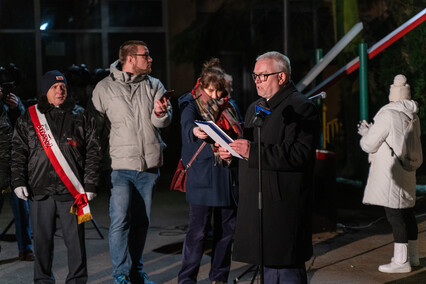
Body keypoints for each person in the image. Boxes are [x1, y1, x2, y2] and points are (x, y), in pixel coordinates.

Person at [219, 51, 320, 283]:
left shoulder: (301, 108)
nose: (257, 81)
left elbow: (299, 154)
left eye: (263, 76)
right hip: (257, 202)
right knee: (267, 266)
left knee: (285, 267)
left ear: (282, 77)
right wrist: (231, 155)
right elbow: (248, 147)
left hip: (282, 204)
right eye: (255, 76)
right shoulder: (256, 107)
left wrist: (250, 151)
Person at [91, 40, 172, 284]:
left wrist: (161, 113)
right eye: (145, 55)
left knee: (141, 222)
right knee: (119, 222)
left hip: (148, 167)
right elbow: (96, 131)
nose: (150, 59)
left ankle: (136, 270)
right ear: (129, 59)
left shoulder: (154, 84)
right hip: (120, 168)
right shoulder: (103, 88)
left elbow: (163, 123)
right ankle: (121, 274)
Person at [11, 70, 101, 283]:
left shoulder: (82, 115)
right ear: (45, 91)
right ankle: (42, 280)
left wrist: (90, 184)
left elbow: (94, 152)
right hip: (39, 189)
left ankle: (77, 280)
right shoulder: (30, 117)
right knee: (41, 242)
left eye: (63, 87)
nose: (59, 91)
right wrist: (18, 181)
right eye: (54, 87)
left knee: (76, 242)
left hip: (73, 191)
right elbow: (18, 151)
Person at [177, 58, 243, 284]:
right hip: (203, 176)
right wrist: (196, 131)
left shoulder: (231, 105)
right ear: (202, 86)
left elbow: (240, 133)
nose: (215, 96)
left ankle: (219, 278)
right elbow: (186, 124)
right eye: (211, 90)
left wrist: (234, 147)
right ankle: (187, 279)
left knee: (226, 232)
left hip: (227, 175)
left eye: (219, 91)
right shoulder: (190, 101)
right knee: (197, 233)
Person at [358, 74, 422, 273]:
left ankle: (401, 262)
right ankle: (413, 257)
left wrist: (365, 133)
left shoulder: (387, 115)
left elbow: (369, 144)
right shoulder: (413, 115)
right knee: (407, 213)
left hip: (391, 172)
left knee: (394, 215)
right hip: (408, 170)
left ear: (392, 95)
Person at [0, 72, 34, 261]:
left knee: (22, 208)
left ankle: (26, 248)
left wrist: (15, 109)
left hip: (14, 164)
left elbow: (25, 126)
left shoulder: (13, 103)